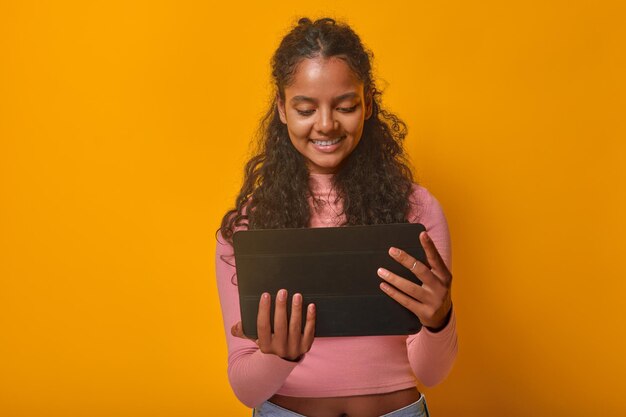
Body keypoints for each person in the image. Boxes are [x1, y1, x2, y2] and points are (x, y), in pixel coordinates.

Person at [216, 17, 458, 417]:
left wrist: (439, 319)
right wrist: (282, 357)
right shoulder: (248, 226)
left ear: (368, 105)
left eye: (345, 106)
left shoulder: (418, 209)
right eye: (306, 108)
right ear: (281, 108)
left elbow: (432, 372)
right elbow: (244, 386)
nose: (326, 124)